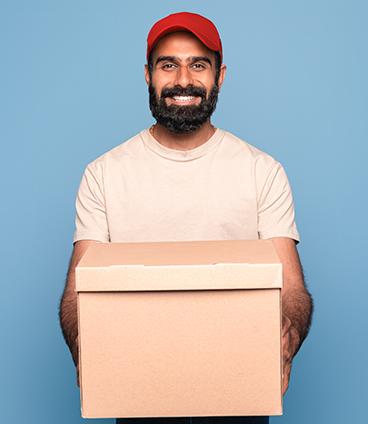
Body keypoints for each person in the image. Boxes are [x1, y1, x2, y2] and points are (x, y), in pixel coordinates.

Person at [59, 11, 313, 424]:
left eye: (198, 64)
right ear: (147, 75)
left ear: (220, 75)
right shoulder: (104, 173)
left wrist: (288, 338)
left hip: (238, 390)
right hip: (138, 387)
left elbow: (292, 289)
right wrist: (82, 346)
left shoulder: (261, 171)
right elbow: (78, 290)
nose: (183, 80)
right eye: (168, 64)